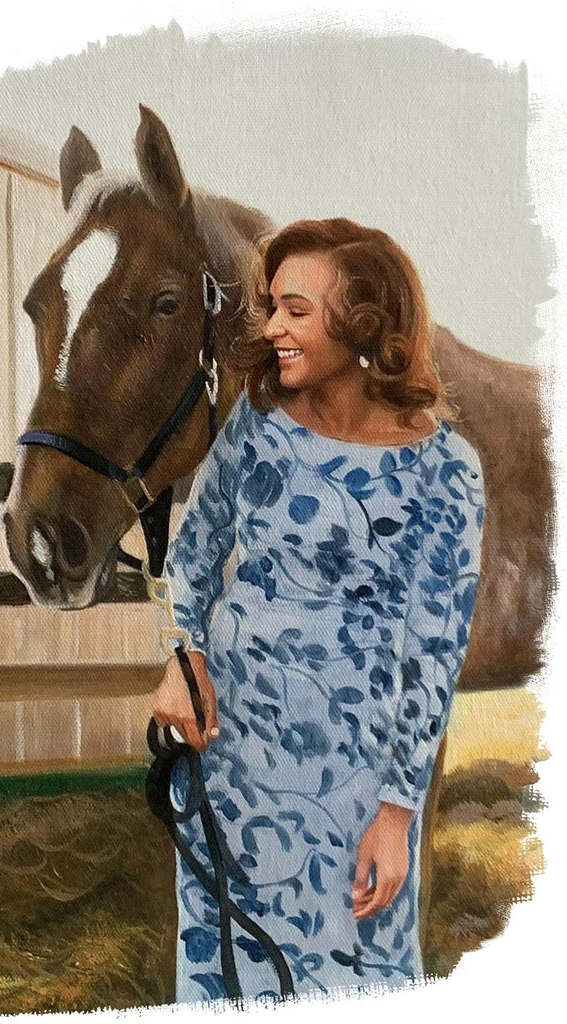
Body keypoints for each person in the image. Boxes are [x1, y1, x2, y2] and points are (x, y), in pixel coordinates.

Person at [151, 218, 485, 1002]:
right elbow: (193, 554)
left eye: (294, 311)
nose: (271, 328)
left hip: (353, 780)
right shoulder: (256, 426)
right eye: (271, 307)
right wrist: (183, 656)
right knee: (225, 970)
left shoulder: (445, 471)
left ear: (362, 323)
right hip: (229, 757)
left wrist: (396, 815)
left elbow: (433, 653)